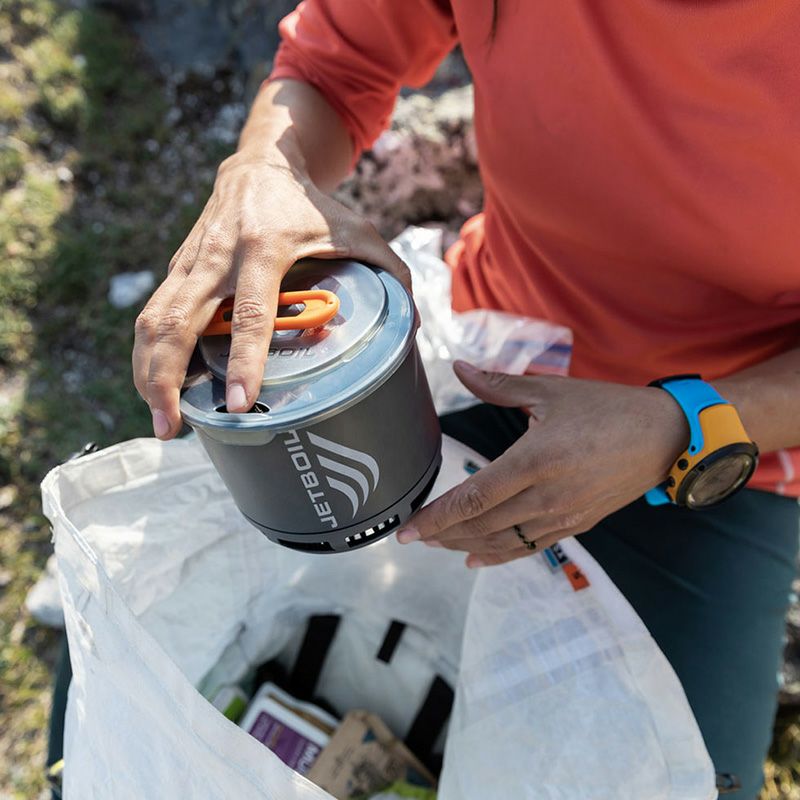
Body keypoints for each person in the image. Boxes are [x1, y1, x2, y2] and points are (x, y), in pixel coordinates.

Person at [132, 2, 800, 795]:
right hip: (488, 349)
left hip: (721, 440)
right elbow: (334, 68)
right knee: (152, 631)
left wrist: (676, 424)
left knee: (686, 777)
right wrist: (264, 172)